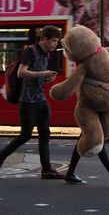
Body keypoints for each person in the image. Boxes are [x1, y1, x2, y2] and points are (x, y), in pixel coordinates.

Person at [0, 25, 64, 179]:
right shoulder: (31, 51)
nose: (56, 44)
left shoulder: (46, 54)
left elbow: (37, 78)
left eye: (57, 41)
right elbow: (22, 73)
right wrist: (44, 73)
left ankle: (47, 170)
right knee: (25, 135)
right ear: (45, 39)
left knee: (44, 134)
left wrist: (47, 79)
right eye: (54, 41)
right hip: (28, 101)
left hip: (41, 99)